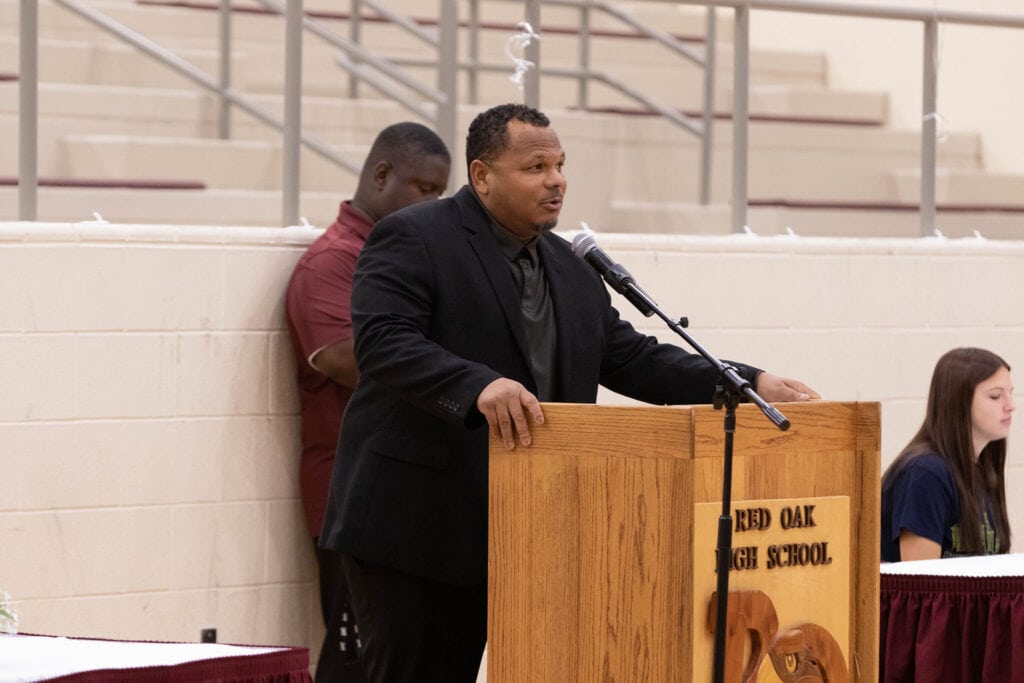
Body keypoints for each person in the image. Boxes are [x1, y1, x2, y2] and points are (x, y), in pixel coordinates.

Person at [318, 102, 819, 682]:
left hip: (536, 523)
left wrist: (744, 380)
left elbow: (633, 359)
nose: (555, 180)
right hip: (418, 524)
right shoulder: (413, 235)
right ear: (482, 176)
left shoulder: (573, 267)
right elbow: (383, 341)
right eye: (535, 167)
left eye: (560, 165)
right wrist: (477, 385)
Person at [284, 121, 451, 682]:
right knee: (358, 651)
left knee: (412, 650)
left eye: (440, 193)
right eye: (424, 189)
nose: (433, 203)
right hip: (347, 491)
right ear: (382, 175)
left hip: (408, 487)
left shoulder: (411, 254)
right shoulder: (331, 261)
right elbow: (346, 360)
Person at [881, 347, 1015, 563]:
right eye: (995, 396)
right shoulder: (926, 473)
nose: (1011, 406)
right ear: (958, 401)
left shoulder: (982, 468)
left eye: (1011, 393)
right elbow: (922, 585)